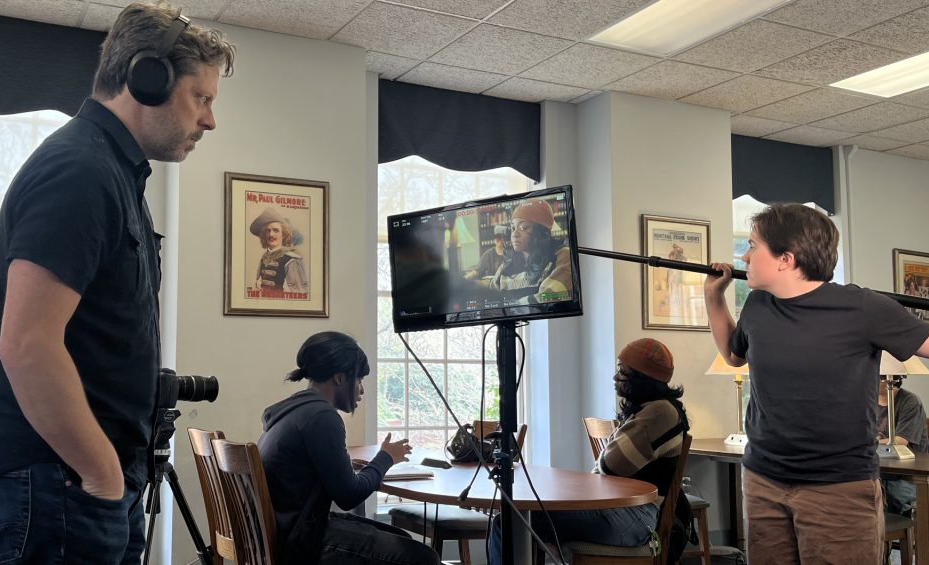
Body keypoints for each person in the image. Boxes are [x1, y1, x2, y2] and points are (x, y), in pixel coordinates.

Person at [0, 4, 235, 563]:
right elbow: (27, 344)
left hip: (79, 482)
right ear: (146, 80)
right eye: (200, 98)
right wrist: (103, 473)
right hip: (60, 483)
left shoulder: (112, 171)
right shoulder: (79, 172)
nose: (210, 120)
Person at [704, 203, 929, 564]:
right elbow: (733, 355)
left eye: (753, 245)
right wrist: (713, 296)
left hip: (838, 487)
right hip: (764, 479)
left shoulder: (863, 308)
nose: (744, 255)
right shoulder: (758, 305)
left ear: (786, 258)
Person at [489, 338, 690, 565]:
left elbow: (609, 466)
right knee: (517, 518)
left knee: (508, 522)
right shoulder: (646, 410)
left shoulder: (660, 412)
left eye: (623, 372)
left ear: (643, 378)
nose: (615, 377)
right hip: (620, 511)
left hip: (634, 518)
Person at [258, 331, 442, 565]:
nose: (361, 390)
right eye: (359, 380)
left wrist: (345, 465)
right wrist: (386, 457)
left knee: (401, 538)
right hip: (302, 540)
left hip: (287, 528)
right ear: (339, 378)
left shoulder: (293, 411)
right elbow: (349, 496)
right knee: (423, 557)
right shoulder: (322, 416)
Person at [490, 199, 572, 304]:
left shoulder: (562, 255)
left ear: (541, 232)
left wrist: (507, 308)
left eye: (523, 227)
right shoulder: (507, 263)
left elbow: (547, 299)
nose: (515, 234)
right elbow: (491, 295)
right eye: (513, 228)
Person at [878, 379, 928, 517]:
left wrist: (871, 442)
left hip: (906, 478)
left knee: (877, 494)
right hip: (877, 473)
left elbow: (900, 441)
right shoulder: (866, 400)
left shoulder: (909, 401)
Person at [249, 207, 308, 295]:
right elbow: (257, 286)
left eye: (275, 230)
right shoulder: (263, 258)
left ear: (283, 234)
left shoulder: (291, 260)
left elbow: (299, 293)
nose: (271, 234)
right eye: (268, 231)